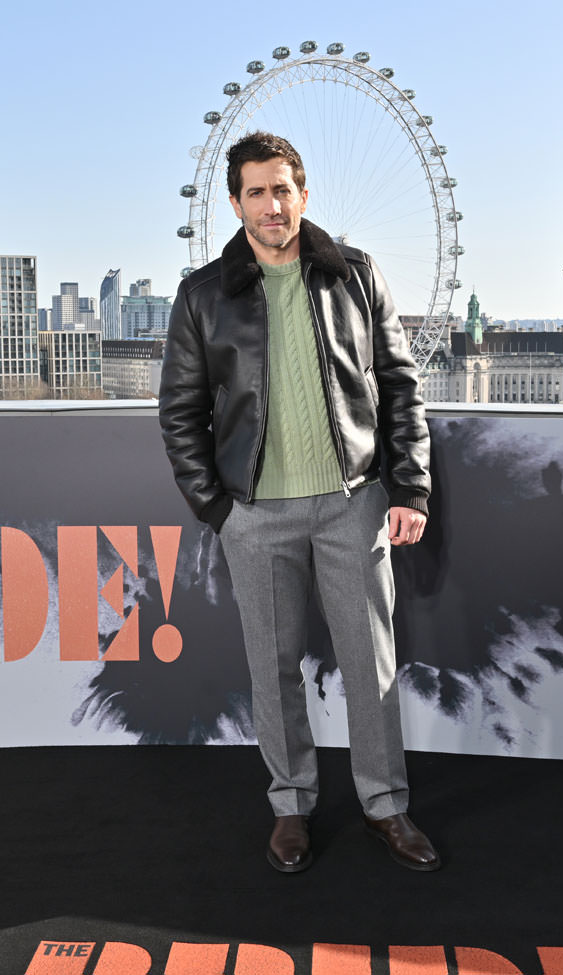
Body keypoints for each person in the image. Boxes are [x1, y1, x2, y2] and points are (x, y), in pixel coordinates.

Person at [159, 131, 440, 873]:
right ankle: (290, 805)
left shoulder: (355, 275)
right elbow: (180, 413)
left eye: (282, 189)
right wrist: (219, 509)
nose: (272, 205)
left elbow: (400, 385)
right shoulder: (202, 296)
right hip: (255, 515)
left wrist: (410, 485)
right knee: (273, 668)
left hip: (354, 503)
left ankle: (386, 805)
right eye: (256, 192)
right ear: (236, 204)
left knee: (371, 665)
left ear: (303, 194)